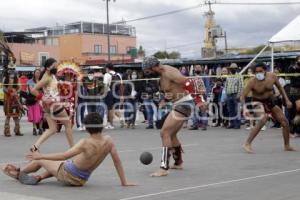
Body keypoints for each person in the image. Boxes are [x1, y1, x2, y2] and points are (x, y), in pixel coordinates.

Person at [2, 113, 136, 187]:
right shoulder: (109, 140)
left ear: (87, 127)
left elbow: (63, 155)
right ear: (101, 125)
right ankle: (39, 177)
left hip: (68, 174)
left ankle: (18, 173)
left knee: (42, 160)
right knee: (58, 166)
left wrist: (40, 156)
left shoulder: (85, 142)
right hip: (81, 180)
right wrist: (124, 182)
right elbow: (117, 162)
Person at [142, 56, 204, 177]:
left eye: (148, 70)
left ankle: (164, 168)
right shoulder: (162, 76)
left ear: (154, 66)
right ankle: (178, 162)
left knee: (164, 133)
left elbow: (188, 82)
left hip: (184, 103)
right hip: (178, 103)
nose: (147, 73)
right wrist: (165, 99)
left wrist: (199, 100)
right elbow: (172, 90)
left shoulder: (169, 72)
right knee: (171, 134)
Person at [240, 63, 296, 153]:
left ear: (265, 70)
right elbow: (242, 96)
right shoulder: (252, 81)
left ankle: (287, 145)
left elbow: (280, 88)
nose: (258, 73)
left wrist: (287, 100)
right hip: (257, 101)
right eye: (256, 72)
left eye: (260, 71)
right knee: (263, 119)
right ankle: (247, 143)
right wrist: (244, 108)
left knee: (284, 122)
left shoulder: (272, 76)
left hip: (270, 101)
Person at [29, 58, 74, 152]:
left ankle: (35, 146)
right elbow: (33, 90)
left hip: (49, 107)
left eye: (56, 65)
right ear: (48, 67)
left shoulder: (50, 75)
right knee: (68, 125)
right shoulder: (47, 77)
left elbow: (50, 89)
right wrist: (43, 98)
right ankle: (73, 148)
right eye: (54, 66)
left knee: (52, 129)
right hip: (54, 105)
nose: (56, 67)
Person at [2, 65, 23, 137]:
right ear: (8, 69)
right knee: (8, 115)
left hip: (15, 99)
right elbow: (4, 87)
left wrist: (15, 92)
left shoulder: (17, 78)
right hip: (8, 100)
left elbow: (20, 87)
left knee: (16, 115)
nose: (12, 70)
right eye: (10, 69)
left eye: (13, 69)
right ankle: (7, 131)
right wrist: (8, 92)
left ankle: (17, 130)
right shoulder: (5, 78)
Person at [103, 63, 123, 129]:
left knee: (110, 109)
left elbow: (106, 85)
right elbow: (121, 85)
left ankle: (111, 124)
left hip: (109, 93)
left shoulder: (107, 74)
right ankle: (121, 118)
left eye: (106, 68)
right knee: (116, 108)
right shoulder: (118, 74)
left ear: (107, 68)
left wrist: (104, 94)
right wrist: (121, 95)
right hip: (117, 93)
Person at [224, 64, 243, 129]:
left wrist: (239, 95)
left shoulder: (239, 76)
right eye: (231, 68)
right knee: (230, 110)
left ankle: (237, 124)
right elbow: (226, 86)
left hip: (235, 94)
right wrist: (226, 94)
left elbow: (241, 86)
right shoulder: (228, 76)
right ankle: (232, 123)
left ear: (236, 69)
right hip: (229, 94)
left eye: (234, 68)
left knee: (236, 110)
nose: (232, 69)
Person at [27, 69, 43, 136]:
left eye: (39, 73)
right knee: (34, 115)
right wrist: (39, 96)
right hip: (33, 100)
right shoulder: (30, 81)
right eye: (36, 73)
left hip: (41, 100)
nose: (38, 74)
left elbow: (44, 90)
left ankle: (40, 128)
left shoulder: (42, 81)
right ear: (34, 73)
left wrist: (41, 96)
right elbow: (31, 91)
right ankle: (34, 128)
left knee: (41, 114)